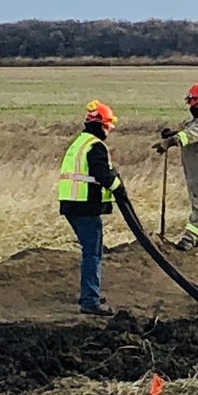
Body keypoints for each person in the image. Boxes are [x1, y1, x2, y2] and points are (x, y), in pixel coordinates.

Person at [58, 100, 124, 316]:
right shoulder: (95, 146)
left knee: (90, 250)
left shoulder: (79, 143)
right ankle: (90, 300)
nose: (108, 130)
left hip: (72, 204)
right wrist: (119, 188)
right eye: (107, 126)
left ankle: (90, 292)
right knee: (93, 252)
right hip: (85, 206)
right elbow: (102, 174)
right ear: (100, 125)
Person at [153, 83, 198, 251]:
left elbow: (192, 134)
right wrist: (171, 134)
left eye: (192, 102)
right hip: (196, 167)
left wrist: (170, 142)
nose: (191, 107)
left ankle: (190, 237)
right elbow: (188, 129)